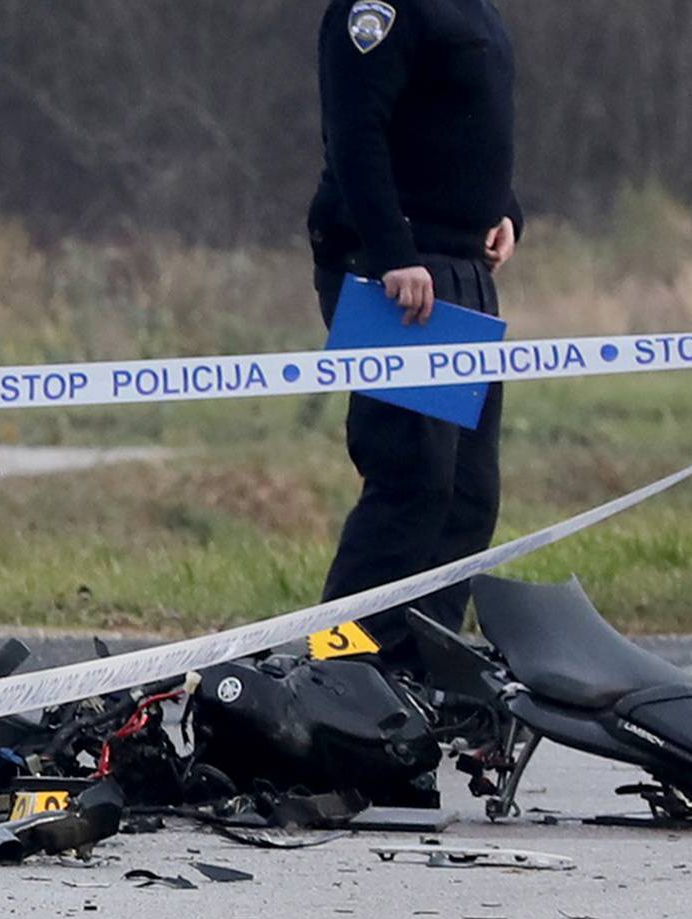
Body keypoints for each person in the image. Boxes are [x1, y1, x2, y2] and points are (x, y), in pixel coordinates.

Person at [308, 0, 524, 675]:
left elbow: (470, 124)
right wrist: (391, 251)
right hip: (401, 275)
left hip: (461, 269)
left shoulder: (474, 9)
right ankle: (340, 677)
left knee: (466, 495)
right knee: (412, 484)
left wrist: (505, 210)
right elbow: (355, 132)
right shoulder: (379, 8)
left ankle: (421, 677)